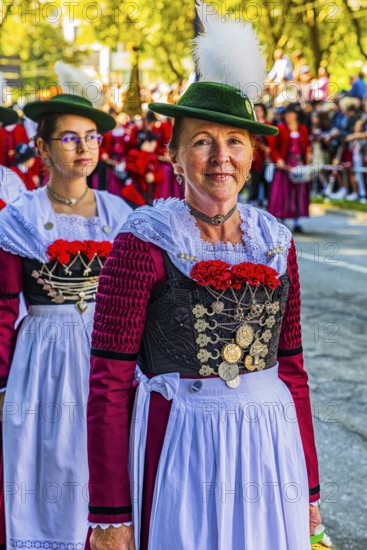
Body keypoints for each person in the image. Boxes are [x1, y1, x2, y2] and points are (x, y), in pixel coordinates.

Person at [86, 8, 321, 550]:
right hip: (181, 445)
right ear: (174, 155)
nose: (221, 158)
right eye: (201, 142)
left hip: (269, 447)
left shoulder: (276, 243)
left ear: (253, 154)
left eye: (235, 142)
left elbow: (293, 369)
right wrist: (110, 512)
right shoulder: (142, 241)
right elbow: (108, 382)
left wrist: (308, 487)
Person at [0, 93, 132, 549]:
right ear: (42, 148)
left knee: (102, 458)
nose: (85, 148)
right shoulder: (21, 217)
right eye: (70, 138)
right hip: (43, 359)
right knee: (47, 460)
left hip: (106, 356)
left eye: (92, 137)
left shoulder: (121, 214)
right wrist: (0, 382)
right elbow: (3, 306)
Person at [268, 103, 312, 233]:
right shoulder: (280, 129)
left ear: (296, 115)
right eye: (286, 114)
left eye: (291, 114)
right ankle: (282, 221)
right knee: (284, 193)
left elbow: (307, 146)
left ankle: (297, 221)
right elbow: (273, 149)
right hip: (285, 166)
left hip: (299, 165)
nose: (288, 116)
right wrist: (278, 160)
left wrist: (309, 155)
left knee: (298, 193)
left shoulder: (303, 129)